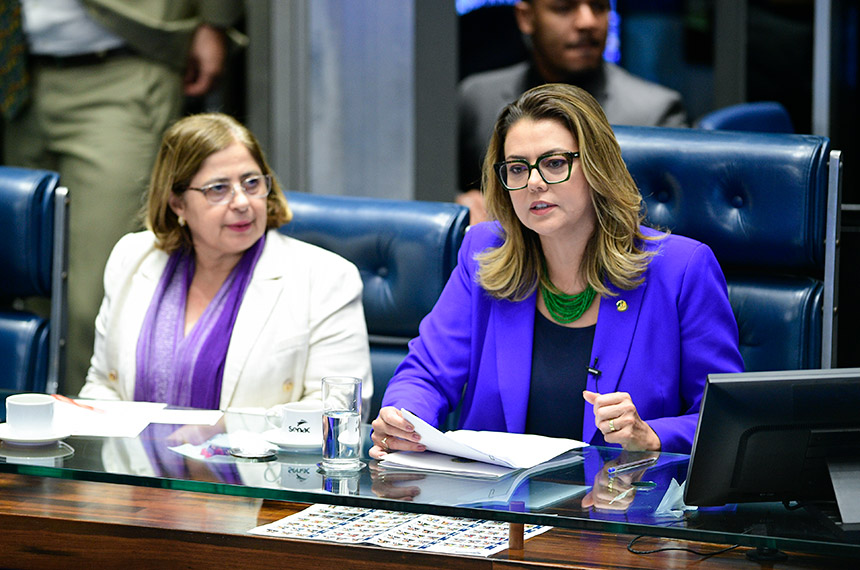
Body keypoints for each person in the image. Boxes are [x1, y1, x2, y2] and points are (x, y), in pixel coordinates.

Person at [371, 83, 742, 459]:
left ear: (597, 167)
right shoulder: (483, 251)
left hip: (622, 493)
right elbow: (426, 374)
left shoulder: (681, 269)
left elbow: (726, 419)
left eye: (554, 163)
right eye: (518, 168)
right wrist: (405, 421)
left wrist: (652, 436)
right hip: (496, 492)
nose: (534, 183)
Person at [2, 0, 244, 395]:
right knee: (27, 290)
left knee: (91, 297)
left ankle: (81, 429)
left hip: (121, 66)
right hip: (18, 76)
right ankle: (26, 425)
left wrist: (214, 22)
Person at [79, 113, 372, 410]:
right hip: (133, 444)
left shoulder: (326, 278)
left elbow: (340, 407)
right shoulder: (132, 256)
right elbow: (102, 384)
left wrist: (228, 428)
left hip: (253, 444)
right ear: (177, 203)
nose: (242, 202)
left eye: (252, 183)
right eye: (218, 189)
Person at [458, 0, 688, 223]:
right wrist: (458, 203)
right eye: (564, 8)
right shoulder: (478, 98)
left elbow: (678, 217)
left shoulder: (654, 112)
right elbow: (445, 181)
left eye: (598, 6)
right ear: (526, 17)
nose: (588, 22)